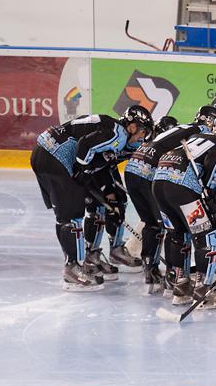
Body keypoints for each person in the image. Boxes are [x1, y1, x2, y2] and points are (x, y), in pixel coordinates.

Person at [31, 106, 153, 291]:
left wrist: (106, 191)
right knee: (71, 215)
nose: (142, 138)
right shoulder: (117, 134)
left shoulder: (116, 134)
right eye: (143, 132)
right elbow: (85, 146)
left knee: (88, 208)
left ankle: (89, 258)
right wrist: (82, 171)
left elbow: (100, 164)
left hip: (49, 153)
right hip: (54, 156)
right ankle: (73, 268)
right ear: (132, 127)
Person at [124, 108, 216, 294]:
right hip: (153, 173)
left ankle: (151, 272)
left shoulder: (185, 127)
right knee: (174, 228)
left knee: (151, 224)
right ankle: (174, 278)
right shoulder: (202, 132)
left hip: (133, 167)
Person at [152, 116, 216, 308]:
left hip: (158, 182)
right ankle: (204, 290)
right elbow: (215, 165)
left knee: (178, 235)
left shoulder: (199, 136)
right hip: (183, 186)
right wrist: (211, 193)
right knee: (207, 237)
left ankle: (180, 286)